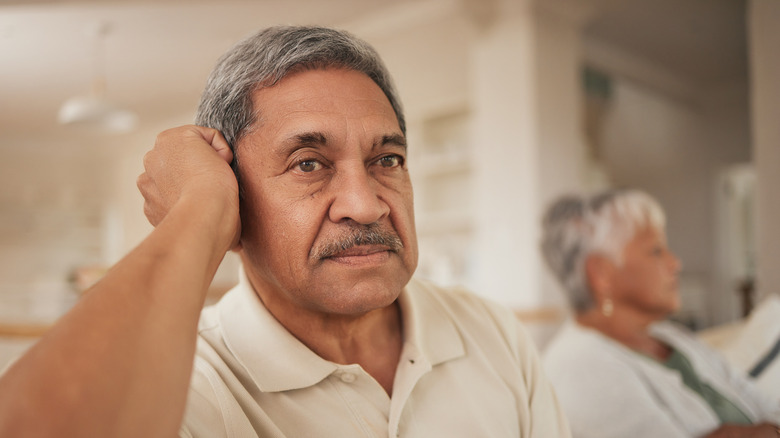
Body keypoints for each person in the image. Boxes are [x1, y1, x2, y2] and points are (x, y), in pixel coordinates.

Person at [0, 26, 570, 437]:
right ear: (234, 197)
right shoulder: (194, 386)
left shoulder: (490, 331)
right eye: (308, 164)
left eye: (387, 159)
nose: (366, 205)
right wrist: (198, 212)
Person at [540, 189, 780, 438]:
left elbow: (768, 406)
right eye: (656, 251)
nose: (675, 263)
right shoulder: (578, 367)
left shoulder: (670, 336)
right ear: (601, 273)